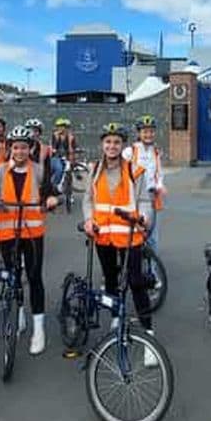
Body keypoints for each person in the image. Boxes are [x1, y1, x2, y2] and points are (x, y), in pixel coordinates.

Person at [83, 123, 156, 365]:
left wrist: (144, 218)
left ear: (122, 145)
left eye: (116, 142)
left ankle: (148, 335)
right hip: (103, 235)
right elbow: (88, 200)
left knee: (136, 283)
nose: (112, 146)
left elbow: (145, 201)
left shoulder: (135, 170)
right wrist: (87, 220)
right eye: (108, 142)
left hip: (129, 235)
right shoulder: (94, 170)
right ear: (102, 145)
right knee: (111, 279)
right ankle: (116, 317)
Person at [0, 125, 59, 355]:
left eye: (24, 147)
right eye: (15, 147)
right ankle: (19, 316)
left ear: (30, 149)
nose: (20, 151)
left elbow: (50, 192)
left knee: (35, 278)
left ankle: (39, 329)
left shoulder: (38, 171)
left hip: (32, 234)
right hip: (7, 234)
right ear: (10, 149)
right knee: (13, 276)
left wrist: (53, 199)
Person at [122, 115, 167, 252]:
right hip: (134, 197)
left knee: (152, 235)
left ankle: (152, 270)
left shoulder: (156, 151)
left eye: (151, 131)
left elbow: (159, 173)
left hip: (152, 195)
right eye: (145, 131)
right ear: (139, 133)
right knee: (133, 231)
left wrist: (160, 185)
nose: (148, 135)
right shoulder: (130, 151)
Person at [50, 116, 77, 189]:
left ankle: (68, 191)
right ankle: (55, 185)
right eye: (58, 127)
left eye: (62, 127)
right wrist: (54, 150)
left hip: (67, 157)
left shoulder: (70, 137)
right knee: (59, 168)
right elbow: (52, 146)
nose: (60, 129)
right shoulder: (55, 135)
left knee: (68, 172)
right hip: (56, 157)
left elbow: (72, 148)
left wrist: (72, 157)